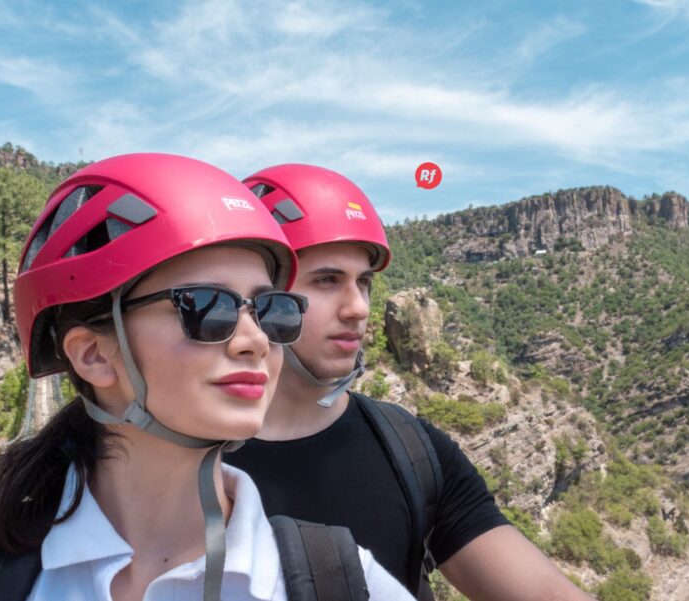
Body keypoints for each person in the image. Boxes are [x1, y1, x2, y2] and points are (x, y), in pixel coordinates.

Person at [0, 154, 412, 601]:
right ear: (93, 355)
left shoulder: (336, 580)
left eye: (270, 309)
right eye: (210, 308)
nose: (255, 340)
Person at [225, 164, 594, 601]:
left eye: (363, 282)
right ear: (264, 298)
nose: (357, 308)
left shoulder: (410, 449)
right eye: (327, 280)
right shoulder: (180, 464)